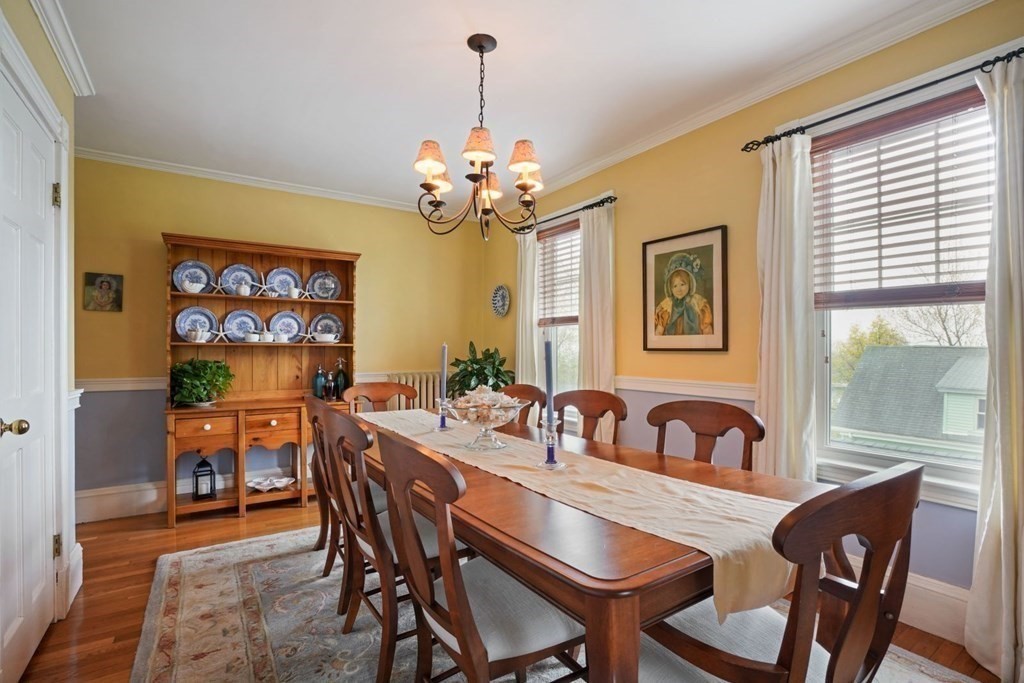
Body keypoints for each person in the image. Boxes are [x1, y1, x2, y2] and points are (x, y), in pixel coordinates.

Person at [654, 252, 713, 335]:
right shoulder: (667, 305)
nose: (679, 289)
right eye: (675, 286)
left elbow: (707, 330)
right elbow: (659, 331)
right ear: (670, 288)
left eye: (682, 284)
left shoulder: (698, 303)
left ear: (690, 283)